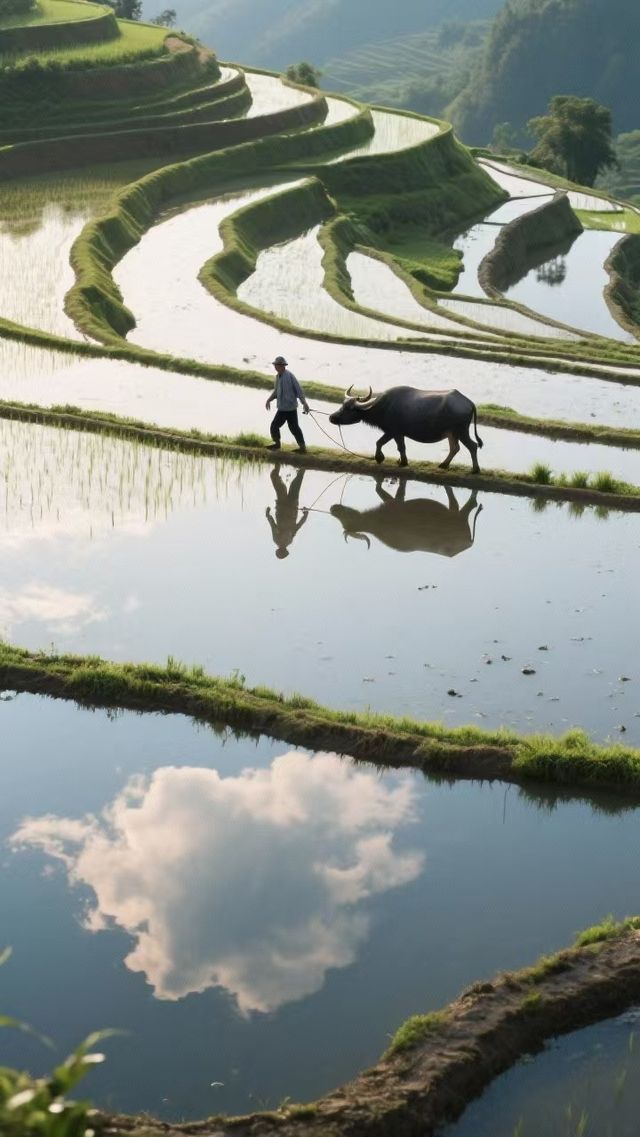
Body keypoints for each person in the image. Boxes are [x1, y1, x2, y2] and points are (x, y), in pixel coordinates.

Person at [265, 355, 309, 452]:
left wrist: (304, 403)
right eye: (275, 365)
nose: (275, 367)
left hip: (289, 408)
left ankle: (302, 447)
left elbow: (299, 390)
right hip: (282, 408)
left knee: (291, 428)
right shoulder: (278, 377)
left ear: (282, 366)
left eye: (277, 365)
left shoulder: (289, 376)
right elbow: (276, 391)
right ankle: (277, 444)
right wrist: (269, 399)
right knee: (277, 426)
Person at [265, 464, 309, 559]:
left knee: (297, 481)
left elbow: (299, 525)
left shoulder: (290, 540)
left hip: (292, 506)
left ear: (286, 551)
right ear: (278, 550)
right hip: (283, 504)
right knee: (274, 477)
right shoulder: (277, 540)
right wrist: (267, 514)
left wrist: (305, 515)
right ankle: (279, 460)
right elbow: (273, 525)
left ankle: (304, 464)